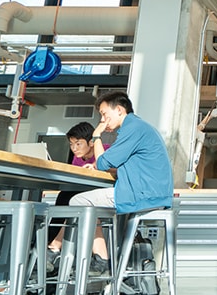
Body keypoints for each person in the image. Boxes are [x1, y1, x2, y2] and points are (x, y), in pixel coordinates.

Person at [68, 91, 174, 275]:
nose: (103, 119)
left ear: (118, 110)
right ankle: (102, 258)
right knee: (85, 202)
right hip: (150, 193)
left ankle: (101, 259)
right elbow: (122, 166)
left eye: (103, 114)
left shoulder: (132, 128)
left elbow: (103, 163)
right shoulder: (138, 127)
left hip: (140, 194)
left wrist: (97, 136)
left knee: (76, 201)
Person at [46, 122, 110, 269]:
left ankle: (53, 247)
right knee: (64, 196)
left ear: (91, 142)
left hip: (103, 195)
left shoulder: (105, 150)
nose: (74, 148)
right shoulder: (77, 158)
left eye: (78, 144)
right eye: (71, 144)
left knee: (68, 199)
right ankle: (52, 246)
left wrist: (95, 166)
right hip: (84, 195)